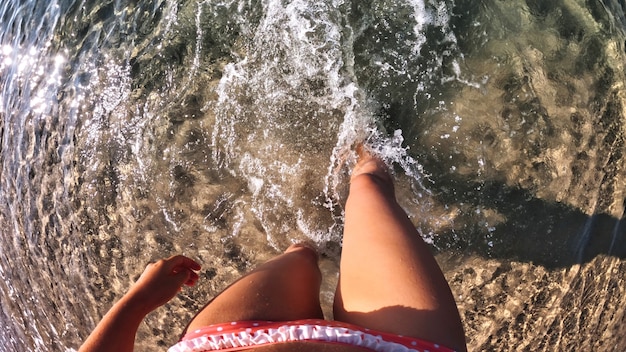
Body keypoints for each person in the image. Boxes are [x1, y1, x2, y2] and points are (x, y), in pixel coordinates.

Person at [79, 147, 467, 352]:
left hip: (235, 340)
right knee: (368, 186)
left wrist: (138, 300)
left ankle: (314, 244)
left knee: (300, 252)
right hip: (401, 348)